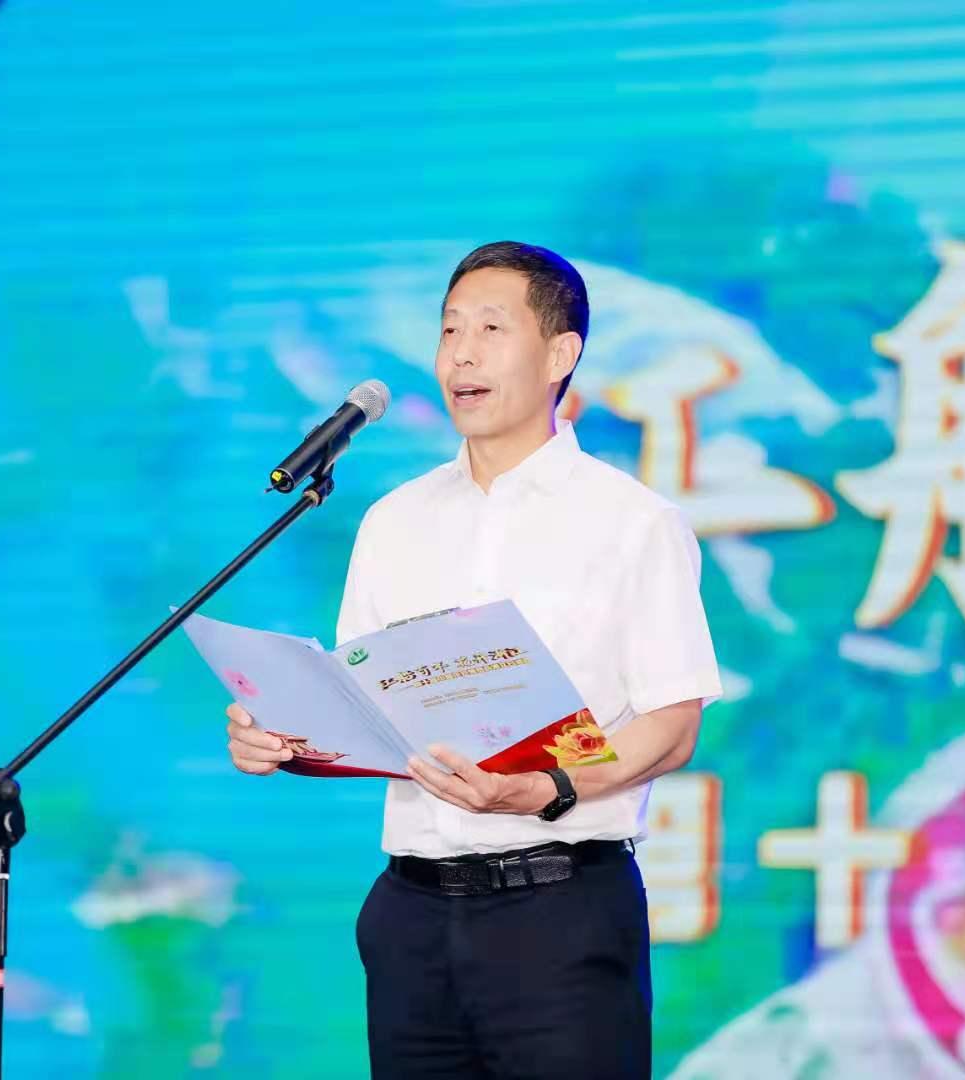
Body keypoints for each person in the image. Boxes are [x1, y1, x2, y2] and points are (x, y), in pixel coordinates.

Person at [225, 240, 722, 1079]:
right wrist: (283, 738)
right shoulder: (394, 520)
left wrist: (542, 788)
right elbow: (367, 709)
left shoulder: (632, 522)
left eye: (492, 329)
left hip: (558, 912)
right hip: (411, 917)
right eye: (450, 329)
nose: (461, 354)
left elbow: (672, 724)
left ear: (560, 355)